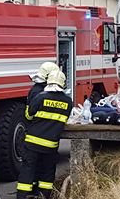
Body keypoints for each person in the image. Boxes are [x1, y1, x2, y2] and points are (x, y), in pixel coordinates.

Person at [17, 70, 73, 199]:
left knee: (28, 171)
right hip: (50, 146)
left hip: (32, 143)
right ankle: (43, 196)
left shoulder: (40, 97)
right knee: (47, 174)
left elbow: (28, 116)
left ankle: (22, 196)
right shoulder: (68, 101)